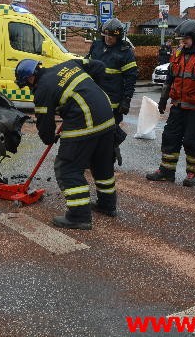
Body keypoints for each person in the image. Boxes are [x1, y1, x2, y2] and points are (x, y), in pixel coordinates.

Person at [15, 58, 116, 230]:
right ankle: (107, 205)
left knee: (67, 168)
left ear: (31, 78)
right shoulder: (68, 64)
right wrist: (93, 92)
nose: (29, 88)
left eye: (26, 84)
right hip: (107, 117)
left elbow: (45, 124)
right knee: (101, 164)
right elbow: (100, 66)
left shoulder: (42, 89)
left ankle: (79, 216)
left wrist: (49, 138)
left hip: (85, 121)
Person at [147, 20, 195, 187]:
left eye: (185, 40)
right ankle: (166, 171)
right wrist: (163, 98)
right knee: (169, 137)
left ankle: (192, 174)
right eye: (181, 40)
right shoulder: (178, 53)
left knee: (191, 141)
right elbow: (170, 78)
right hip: (179, 106)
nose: (182, 43)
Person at [85, 18, 138, 166]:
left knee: (109, 132)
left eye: (112, 36)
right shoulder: (96, 46)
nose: (108, 38)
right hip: (95, 98)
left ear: (118, 36)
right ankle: (92, 159)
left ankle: (109, 159)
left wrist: (126, 100)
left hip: (113, 101)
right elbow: (87, 65)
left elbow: (131, 78)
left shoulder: (125, 52)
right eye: (106, 35)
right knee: (93, 130)